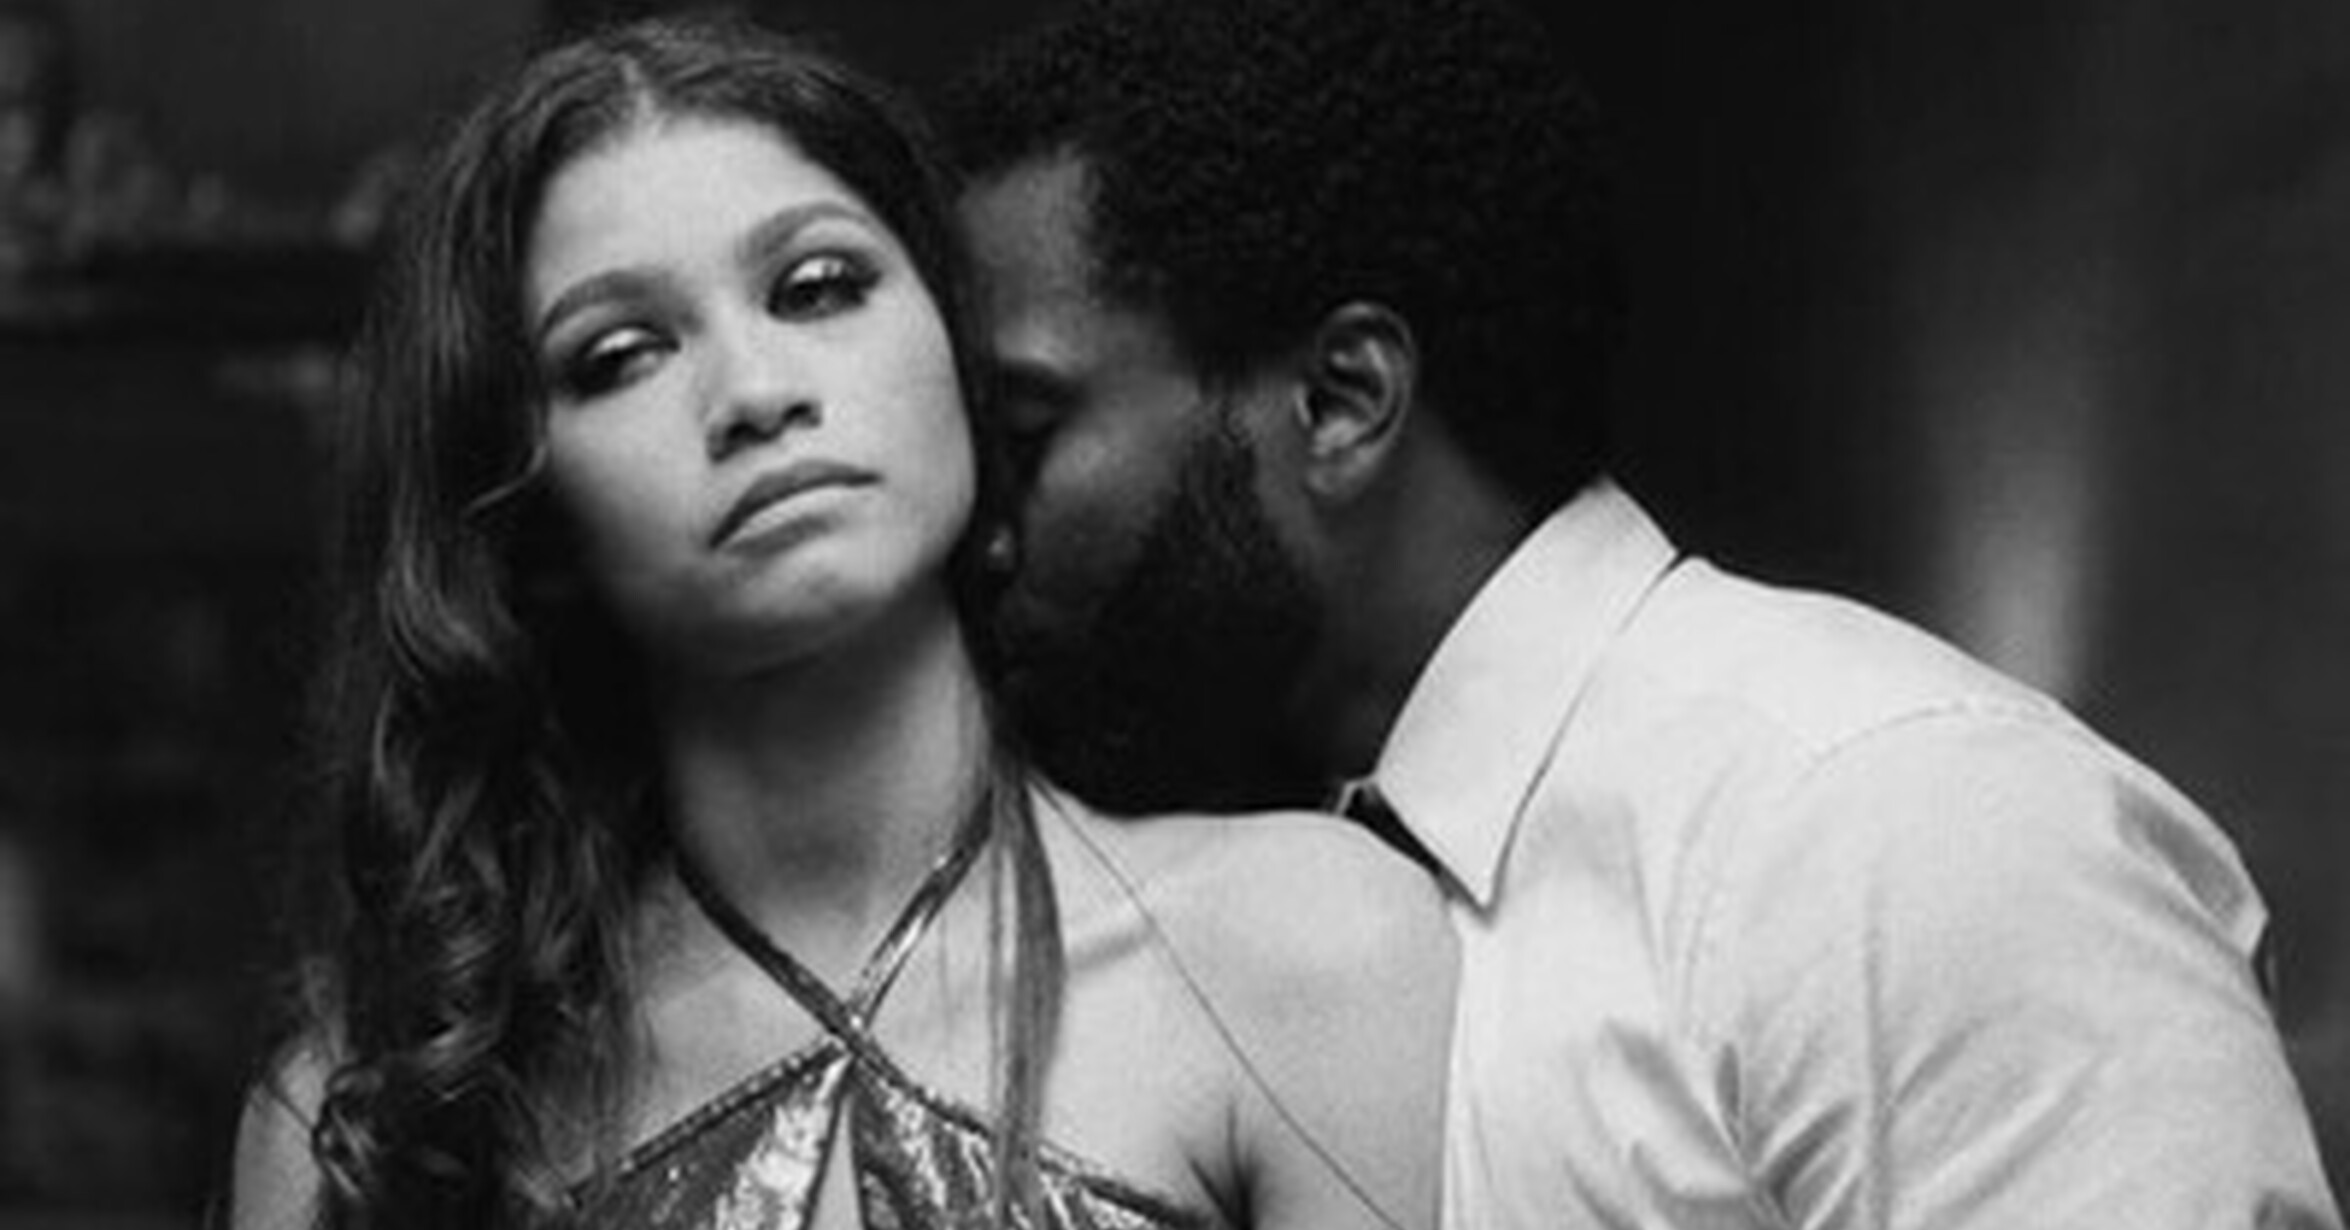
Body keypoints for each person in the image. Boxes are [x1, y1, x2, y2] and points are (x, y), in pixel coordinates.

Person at [944, 0, 2346, 1225]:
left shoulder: (1882, 820)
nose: (980, 530)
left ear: (1341, 401)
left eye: (1023, 433)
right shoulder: (1261, 898)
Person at [226, 15, 1454, 1230]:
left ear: (959, 350)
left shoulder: (1304, 945)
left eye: (817, 288)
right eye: (620, 355)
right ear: (526, 507)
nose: (755, 394)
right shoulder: (372, 1116)